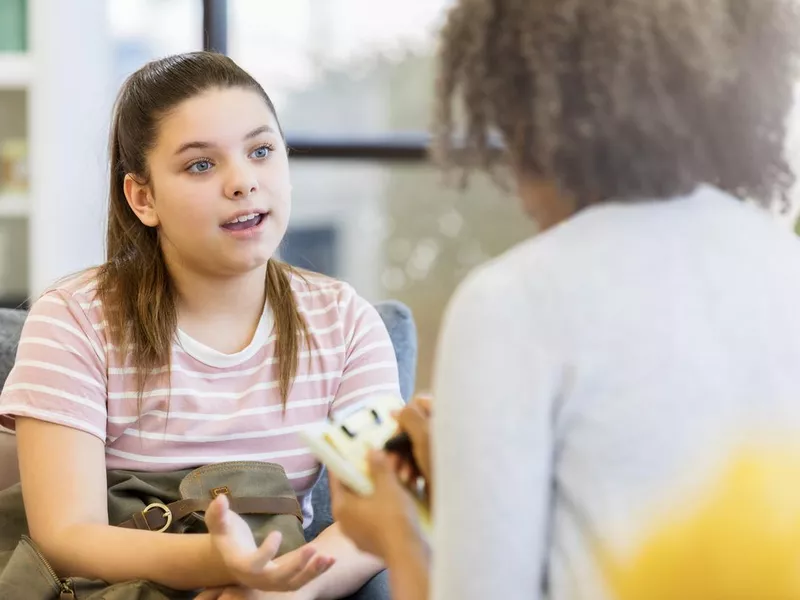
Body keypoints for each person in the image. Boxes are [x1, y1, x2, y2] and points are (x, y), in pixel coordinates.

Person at [330, 0, 800, 599]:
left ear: (536, 111)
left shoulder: (514, 301)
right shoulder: (784, 262)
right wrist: (468, 493)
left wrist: (394, 533)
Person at [0, 51, 402, 599]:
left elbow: (375, 522)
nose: (242, 182)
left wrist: (278, 590)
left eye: (261, 151)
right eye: (201, 165)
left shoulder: (347, 323)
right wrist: (226, 561)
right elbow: (67, 534)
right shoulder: (73, 318)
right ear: (143, 198)